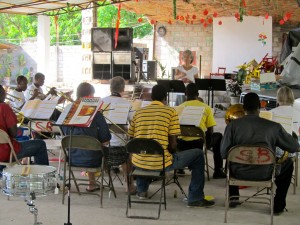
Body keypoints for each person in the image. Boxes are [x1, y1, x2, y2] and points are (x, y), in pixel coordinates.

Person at [128, 84, 215, 208]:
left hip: (138, 163)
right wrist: (172, 150)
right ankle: (195, 197)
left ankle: (142, 191)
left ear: (152, 97)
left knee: (144, 151)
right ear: (165, 98)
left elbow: (132, 139)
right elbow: (173, 145)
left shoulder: (138, 113)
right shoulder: (170, 112)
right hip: (161, 163)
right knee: (198, 154)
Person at [220, 92, 299, 214]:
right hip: (265, 173)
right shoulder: (273, 126)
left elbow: (224, 153)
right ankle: (278, 206)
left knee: (230, 159)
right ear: (260, 106)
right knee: (288, 164)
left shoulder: (232, 126)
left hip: (237, 172)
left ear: (243, 107)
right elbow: (294, 147)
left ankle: (233, 198)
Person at [62, 82, 111, 192]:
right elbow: (106, 139)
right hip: (94, 160)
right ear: (90, 95)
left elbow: (65, 133)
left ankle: (92, 183)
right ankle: (93, 183)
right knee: (99, 147)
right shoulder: (96, 113)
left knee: (86, 143)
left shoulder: (68, 111)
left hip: (72, 158)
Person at [177, 83, 226, 179]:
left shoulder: (179, 108)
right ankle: (218, 171)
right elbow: (210, 131)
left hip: (181, 144)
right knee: (219, 136)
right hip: (199, 144)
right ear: (198, 94)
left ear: (185, 93)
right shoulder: (206, 108)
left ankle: (180, 168)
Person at [0, 85, 49, 166]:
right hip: (6, 152)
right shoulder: (4, 107)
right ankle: (44, 177)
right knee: (40, 145)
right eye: (4, 93)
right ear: (1, 94)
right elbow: (14, 133)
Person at [102, 76, 136, 194]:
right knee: (129, 148)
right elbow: (134, 122)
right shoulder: (126, 104)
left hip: (102, 148)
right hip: (120, 148)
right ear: (123, 88)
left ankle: (102, 182)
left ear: (110, 88)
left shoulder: (101, 102)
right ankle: (129, 185)